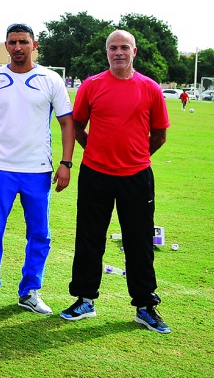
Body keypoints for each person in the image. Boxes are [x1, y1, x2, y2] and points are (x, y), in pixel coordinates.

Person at [60, 29, 171, 334]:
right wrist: (96, 151)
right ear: (106, 52)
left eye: (124, 47)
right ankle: (84, 299)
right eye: (113, 48)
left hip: (136, 177)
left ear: (135, 51)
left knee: (139, 242)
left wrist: (136, 157)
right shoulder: (92, 86)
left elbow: (160, 134)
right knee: (89, 238)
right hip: (96, 174)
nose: (118, 52)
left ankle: (145, 305)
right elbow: (77, 126)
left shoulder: (149, 88)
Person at [0, 23, 74, 316]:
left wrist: (65, 163)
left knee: (40, 233)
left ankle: (30, 291)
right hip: (0, 168)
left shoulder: (51, 79)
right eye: (13, 42)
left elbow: (67, 123)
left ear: (34, 45)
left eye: (23, 42)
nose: (18, 47)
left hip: (38, 170)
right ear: (6, 45)